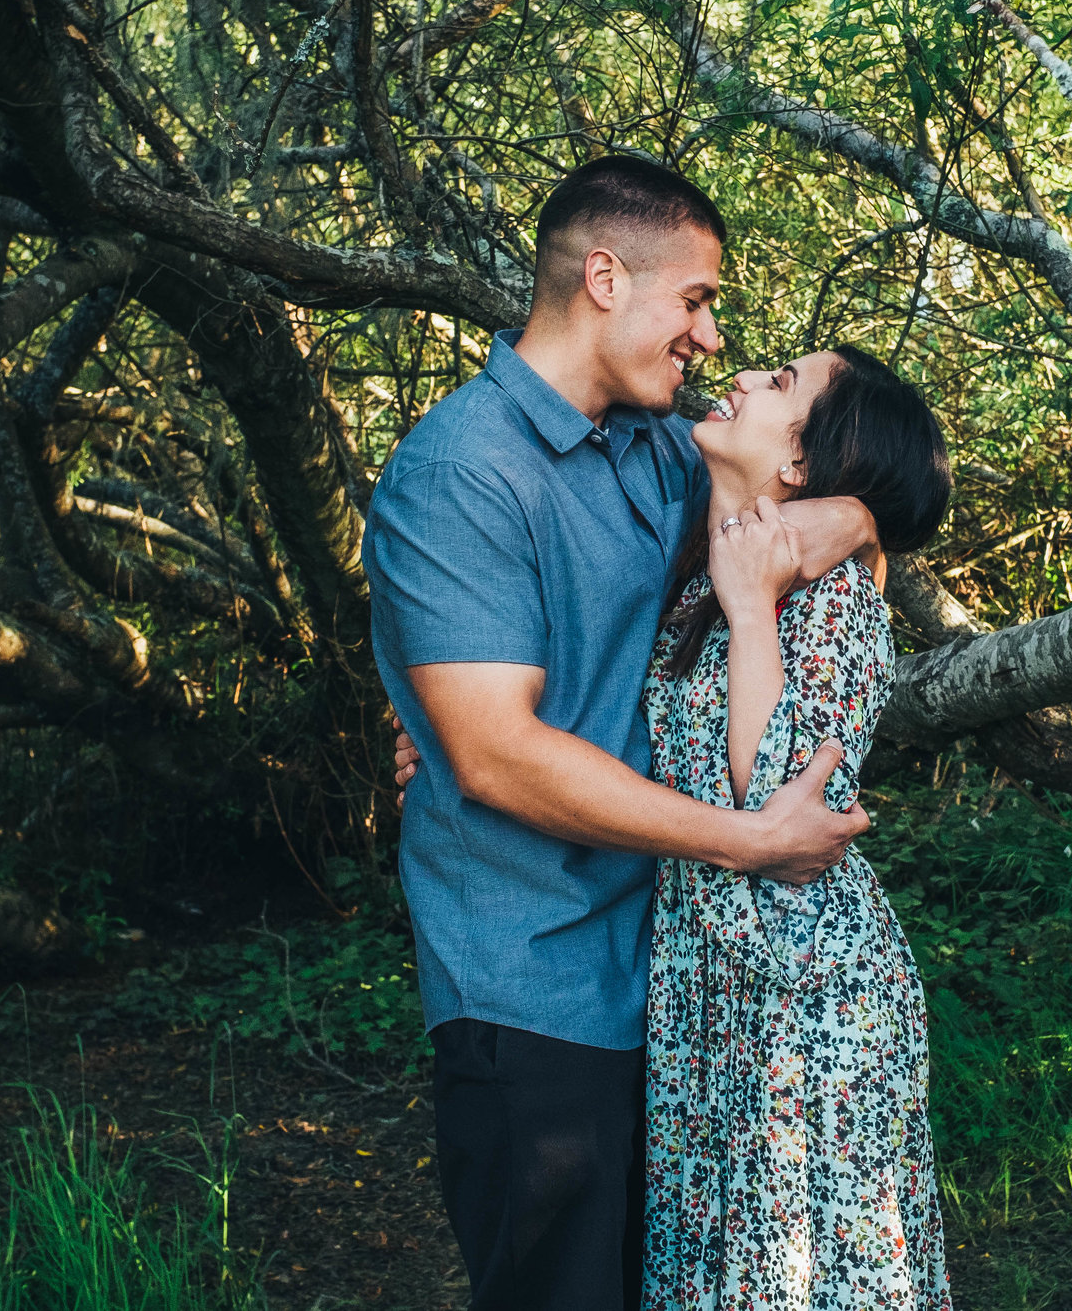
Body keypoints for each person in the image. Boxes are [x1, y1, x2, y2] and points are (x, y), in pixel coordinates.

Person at [364, 154, 879, 1311]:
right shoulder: (459, 473)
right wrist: (747, 838)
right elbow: (496, 753)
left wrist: (853, 515)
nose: (708, 335)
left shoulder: (656, 444)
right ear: (605, 275)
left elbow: (832, 468)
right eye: (693, 298)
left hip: (678, 980)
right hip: (535, 989)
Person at [640, 346, 953, 1308]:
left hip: (803, 999)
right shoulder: (705, 580)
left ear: (803, 464)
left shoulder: (833, 600)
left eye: (780, 385)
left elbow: (770, 802)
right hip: (713, 990)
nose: (739, 376)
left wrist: (751, 605)